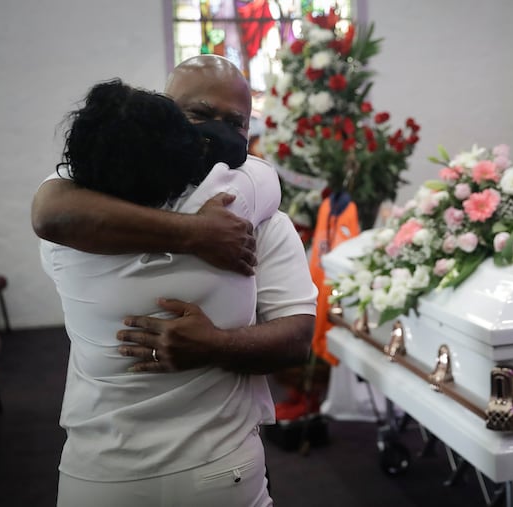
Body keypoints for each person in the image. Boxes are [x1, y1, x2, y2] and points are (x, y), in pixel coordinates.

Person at [34, 58, 317, 506]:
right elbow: (262, 175)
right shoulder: (243, 203)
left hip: (115, 471)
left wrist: (214, 345)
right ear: (165, 113)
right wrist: (195, 233)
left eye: (235, 123)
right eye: (200, 115)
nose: (216, 133)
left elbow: (297, 337)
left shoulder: (71, 224)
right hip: (205, 469)